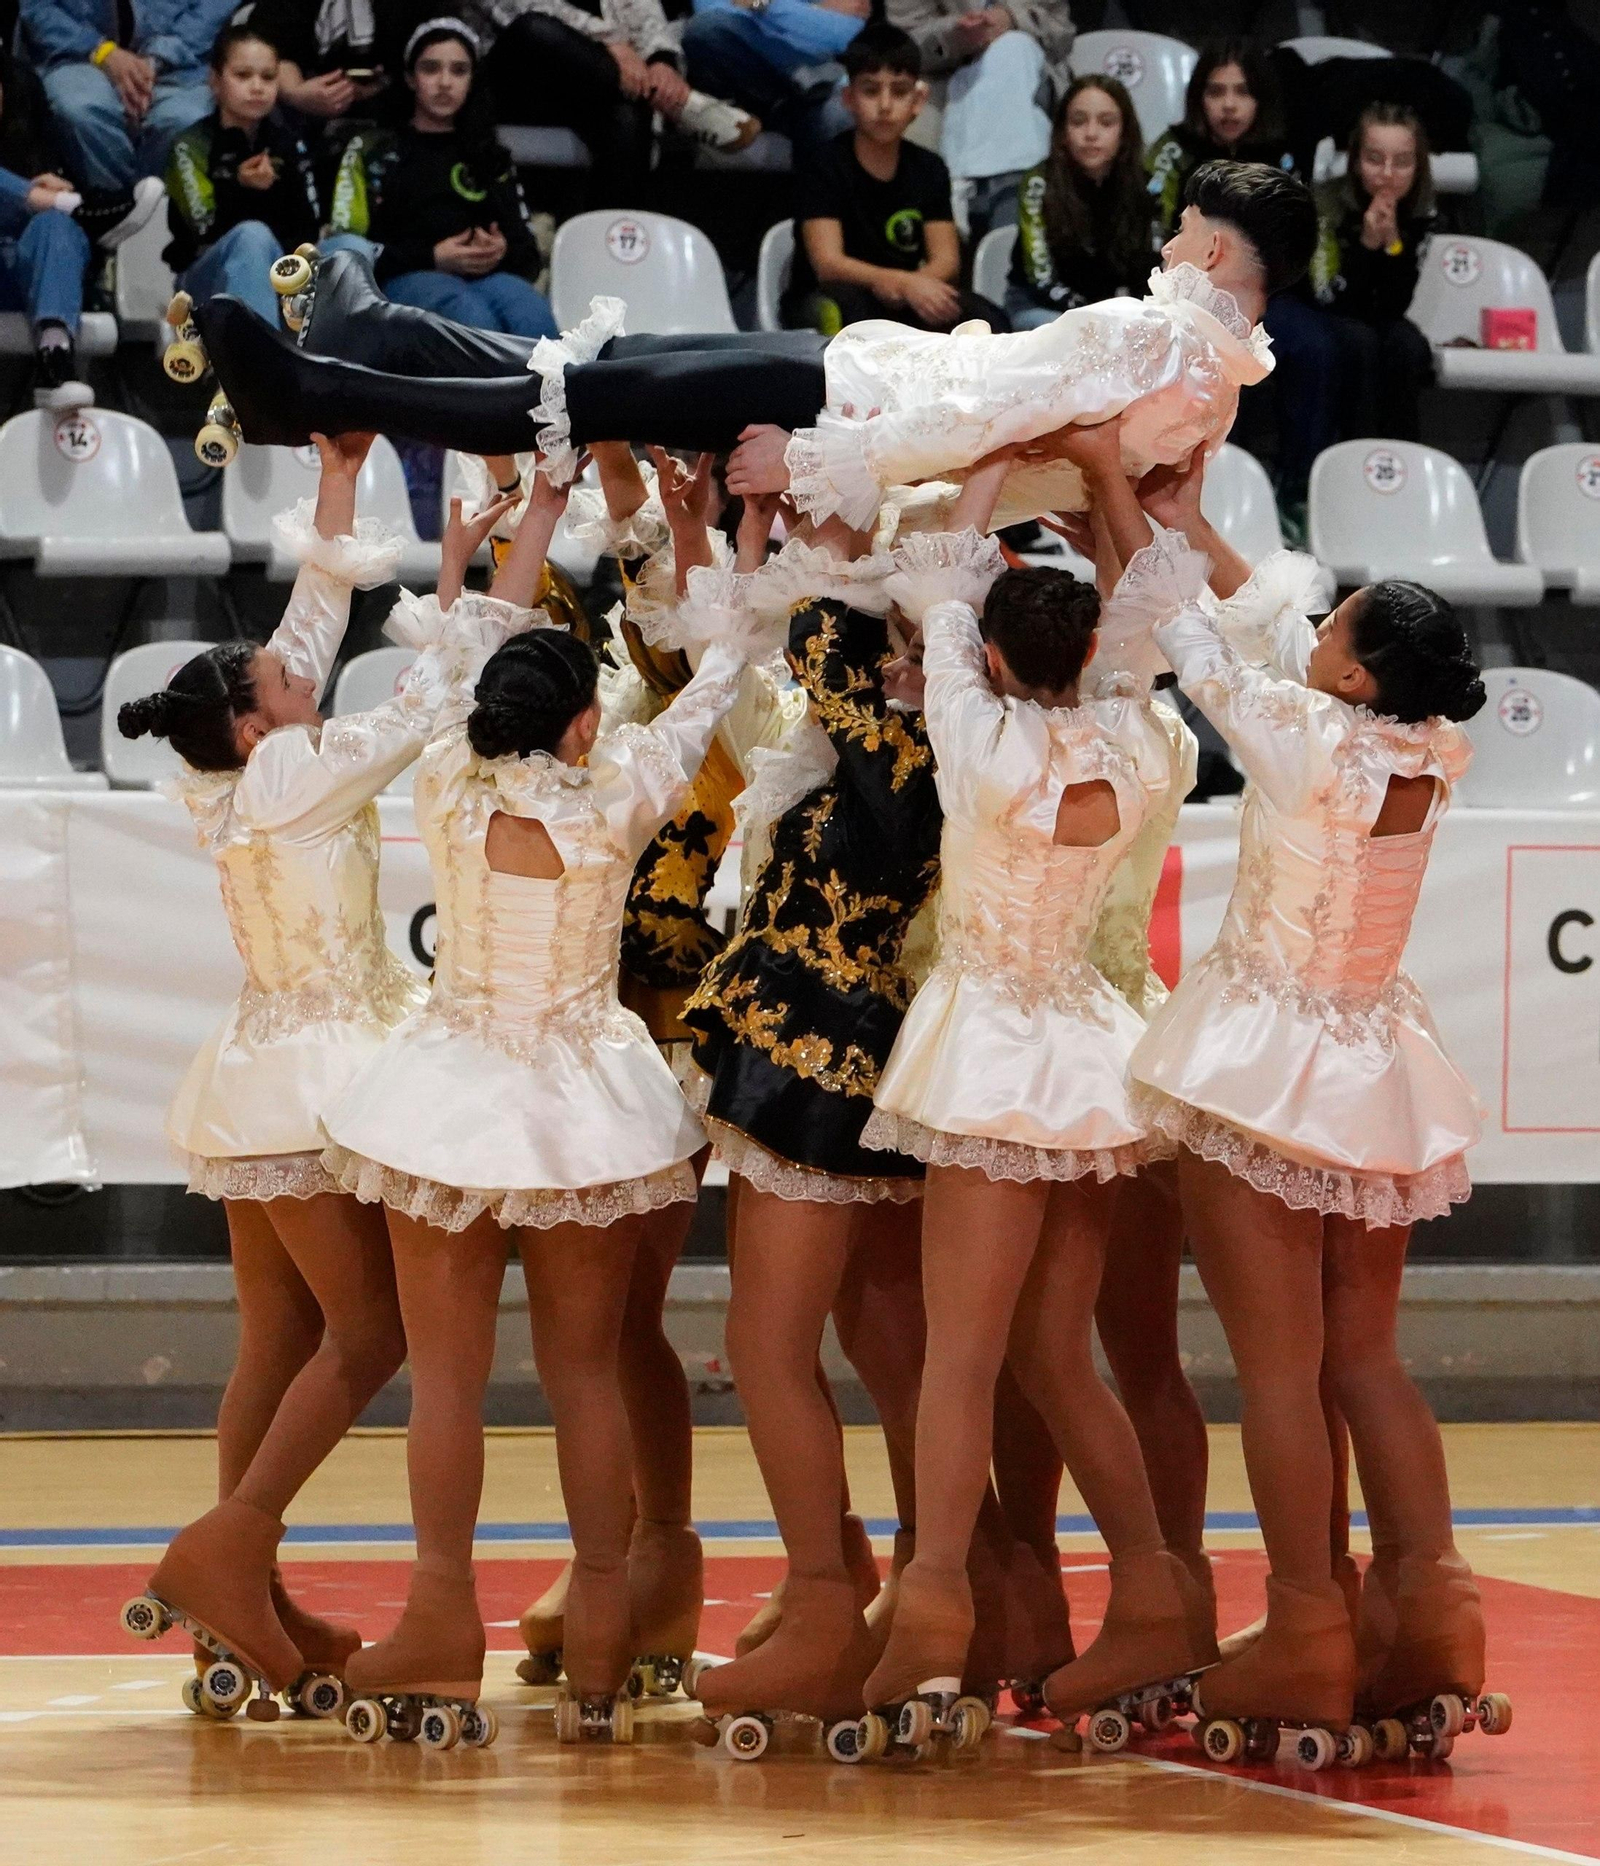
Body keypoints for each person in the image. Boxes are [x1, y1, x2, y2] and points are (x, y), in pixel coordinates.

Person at [319, 469, 755, 1746]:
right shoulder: (620, 791)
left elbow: (462, 659)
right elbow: (718, 677)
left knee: (446, 1387)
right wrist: (705, 539)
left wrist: (510, 535)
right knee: (585, 1379)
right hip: (584, 1107)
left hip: (446, 1099)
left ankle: (439, 1625)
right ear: (581, 724)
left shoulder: (446, 784)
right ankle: (606, 1636)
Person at [113, 437, 506, 1720]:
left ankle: (248, 1599)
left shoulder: (227, 773)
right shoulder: (291, 771)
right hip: (317, 1085)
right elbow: (413, 713)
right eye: (287, 684)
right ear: (253, 723)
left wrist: (339, 475)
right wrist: (460, 590)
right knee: (370, 1334)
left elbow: (308, 630)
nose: (308, 679)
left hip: (256, 1076)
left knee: (278, 1338)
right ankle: (229, 1551)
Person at [858, 432, 1218, 1736]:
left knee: (962, 1360)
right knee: (1063, 1358)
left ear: (1002, 662)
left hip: (989, 1058)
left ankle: (934, 1615)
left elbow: (948, 590)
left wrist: (990, 459)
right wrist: (1111, 490)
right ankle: (1153, 1587)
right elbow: (1132, 640)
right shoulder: (1141, 747)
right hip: (1089, 1058)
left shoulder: (978, 740)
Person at [1128, 514, 1490, 1757]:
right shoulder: (1434, 745)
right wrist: (1197, 522)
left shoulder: (1303, 739)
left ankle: (1306, 1629)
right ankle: (1432, 1617)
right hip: (1374, 1066)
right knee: (1365, 1361)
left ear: (1356, 675)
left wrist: (1126, 502)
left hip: (1268, 1068)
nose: (1314, 627)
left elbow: (1193, 637)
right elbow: (1273, 633)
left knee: (1280, 1373)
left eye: (1333, 625)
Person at [185, 160, 1315, 542]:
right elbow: (1057, 488)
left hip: (846, 404)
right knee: (606, 367)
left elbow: (988, 424)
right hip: (863, 392)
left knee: (579, 402)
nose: (1167, 243)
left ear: (1215, 251)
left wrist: (821, 465)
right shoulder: (1211, 399)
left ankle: (314, 388)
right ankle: (377, 331)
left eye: (1182, 231)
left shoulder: (1152, 334)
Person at [1145, 40, 1326, 536]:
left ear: (1260, 100)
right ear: (1198, 98)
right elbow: (1153, 234)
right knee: (1212, 347)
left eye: (1242, 92)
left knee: (1314, 346)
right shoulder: (1172, 151)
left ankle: (1293, 490)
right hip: (1184, 288)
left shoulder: (1284, 153)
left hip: (1271, 295)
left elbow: (1300, 243)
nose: (1229, 105)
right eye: (1216, 91)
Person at [327, 21, 556, 340]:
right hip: (403, 279)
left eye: (459, 71)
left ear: (472, 80)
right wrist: (434, 257)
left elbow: (528, 257)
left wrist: (501, 250)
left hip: (490, 279)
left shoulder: (491, 154)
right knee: (470, 315)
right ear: (410, 78)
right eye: (431, 68)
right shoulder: (371, 150)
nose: (445, 82)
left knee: (532, 316)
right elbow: (346, 252)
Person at [785, 25, 1003, 336]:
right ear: (848, 98)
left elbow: (946, 259)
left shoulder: (930, 168)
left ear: (917, 101)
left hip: (902, 294)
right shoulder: (823, 164)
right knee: (851, 314)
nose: (885, 106)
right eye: (871, 91)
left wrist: (916, 285)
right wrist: (900, 282)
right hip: (833, 294)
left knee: (986, 317)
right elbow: (828, 264)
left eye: (899, 92)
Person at [469, 0, 759, 210]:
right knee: (536, 29)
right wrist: (610, 42)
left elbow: (643, 10)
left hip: (599, 83)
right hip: (517, 78)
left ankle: (608, 257)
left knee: (628, 115)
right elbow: (514, 6)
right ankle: (680, 107)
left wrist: (661, 60)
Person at [165, 25, 353, 328]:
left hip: (284, 274)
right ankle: (257, 356)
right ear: (215, 81)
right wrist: (238, 186)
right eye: (243, 76)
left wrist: (278, 189)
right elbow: (203, 230)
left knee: (349, 247)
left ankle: (344, 356)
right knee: (252, 236)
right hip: (203, 280)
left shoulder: (290, 142)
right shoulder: (191, 146)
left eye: (268, 77)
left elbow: (308, 227)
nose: (257, 87)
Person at [887, 0, 1071, 241]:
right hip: (942, 77)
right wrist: (954, 37)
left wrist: (1012, 20)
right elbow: (902, 45)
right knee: (909, 138)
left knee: (1011, 49)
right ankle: (1007, 216)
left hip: (1030, 72)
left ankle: (979, 198)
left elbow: (1062, 33)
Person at [1309, 102, 1437, 445]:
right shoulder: (1323, 206)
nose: (1388, 174)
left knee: (1408, 345)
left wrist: (1393, 244)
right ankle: (1357, 452)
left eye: (1403, 162)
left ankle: (1403, 455)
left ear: (1418, 167)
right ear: (1355, 161)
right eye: (1375, 159)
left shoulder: (1421, 210)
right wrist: (1366, 245)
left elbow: (1396, 304)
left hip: (1376, 314)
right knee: (1359, 342)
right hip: (1317, 312)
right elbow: (1327, 298)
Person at [22, 0, 237, 192]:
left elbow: (211, 11)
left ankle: (156, 207)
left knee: (186, 118)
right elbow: (38, 9)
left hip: (178, 60)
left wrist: (155, 60)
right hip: (75, 55)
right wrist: (101, 51)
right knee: (81, 109)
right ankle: (115, 206)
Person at [1006, 75, 1153, 333]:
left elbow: (1152, 265)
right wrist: (1093, 317)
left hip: (1114, 310)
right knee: (1074, 336)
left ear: (1125, 132)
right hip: (1041, 306)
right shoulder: (1038, 183)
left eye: (1106, 122)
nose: (1091, 134)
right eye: (1078, 121)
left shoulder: (1147, 186)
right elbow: (1040, 276)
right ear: (1063, 132)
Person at [0, 41, 95, 400]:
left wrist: (48, 192)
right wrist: (31, 195)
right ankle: (79, 208)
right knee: (57, 208)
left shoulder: (28, 128)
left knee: (55, 224)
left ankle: (54, 357)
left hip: (21, 279)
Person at [681, 0, 863, 174]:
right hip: (754, 85)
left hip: (815, 93)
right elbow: (712, 20)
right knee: (706, 28)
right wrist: (811, 14)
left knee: (840, 113)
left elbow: (849, 35)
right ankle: (803, 82)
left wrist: (767, 5)